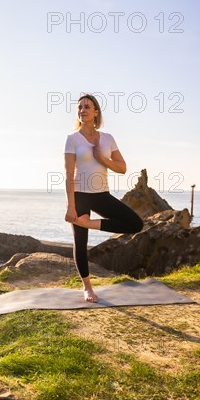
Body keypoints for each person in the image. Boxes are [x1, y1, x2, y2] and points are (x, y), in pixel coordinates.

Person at [64, 94, 143, 303]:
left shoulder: (107, 138)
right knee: (80, 243)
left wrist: (101, 158)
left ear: (96, 112)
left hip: (102, 195)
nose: (82, 110)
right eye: (79, 107)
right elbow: (69, 175)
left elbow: (123, 168)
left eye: (87, 106)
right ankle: (87, 288)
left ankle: (91, 224)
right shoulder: (72, 139)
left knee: (135, 223)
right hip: (80, 195)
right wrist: (70, 207)